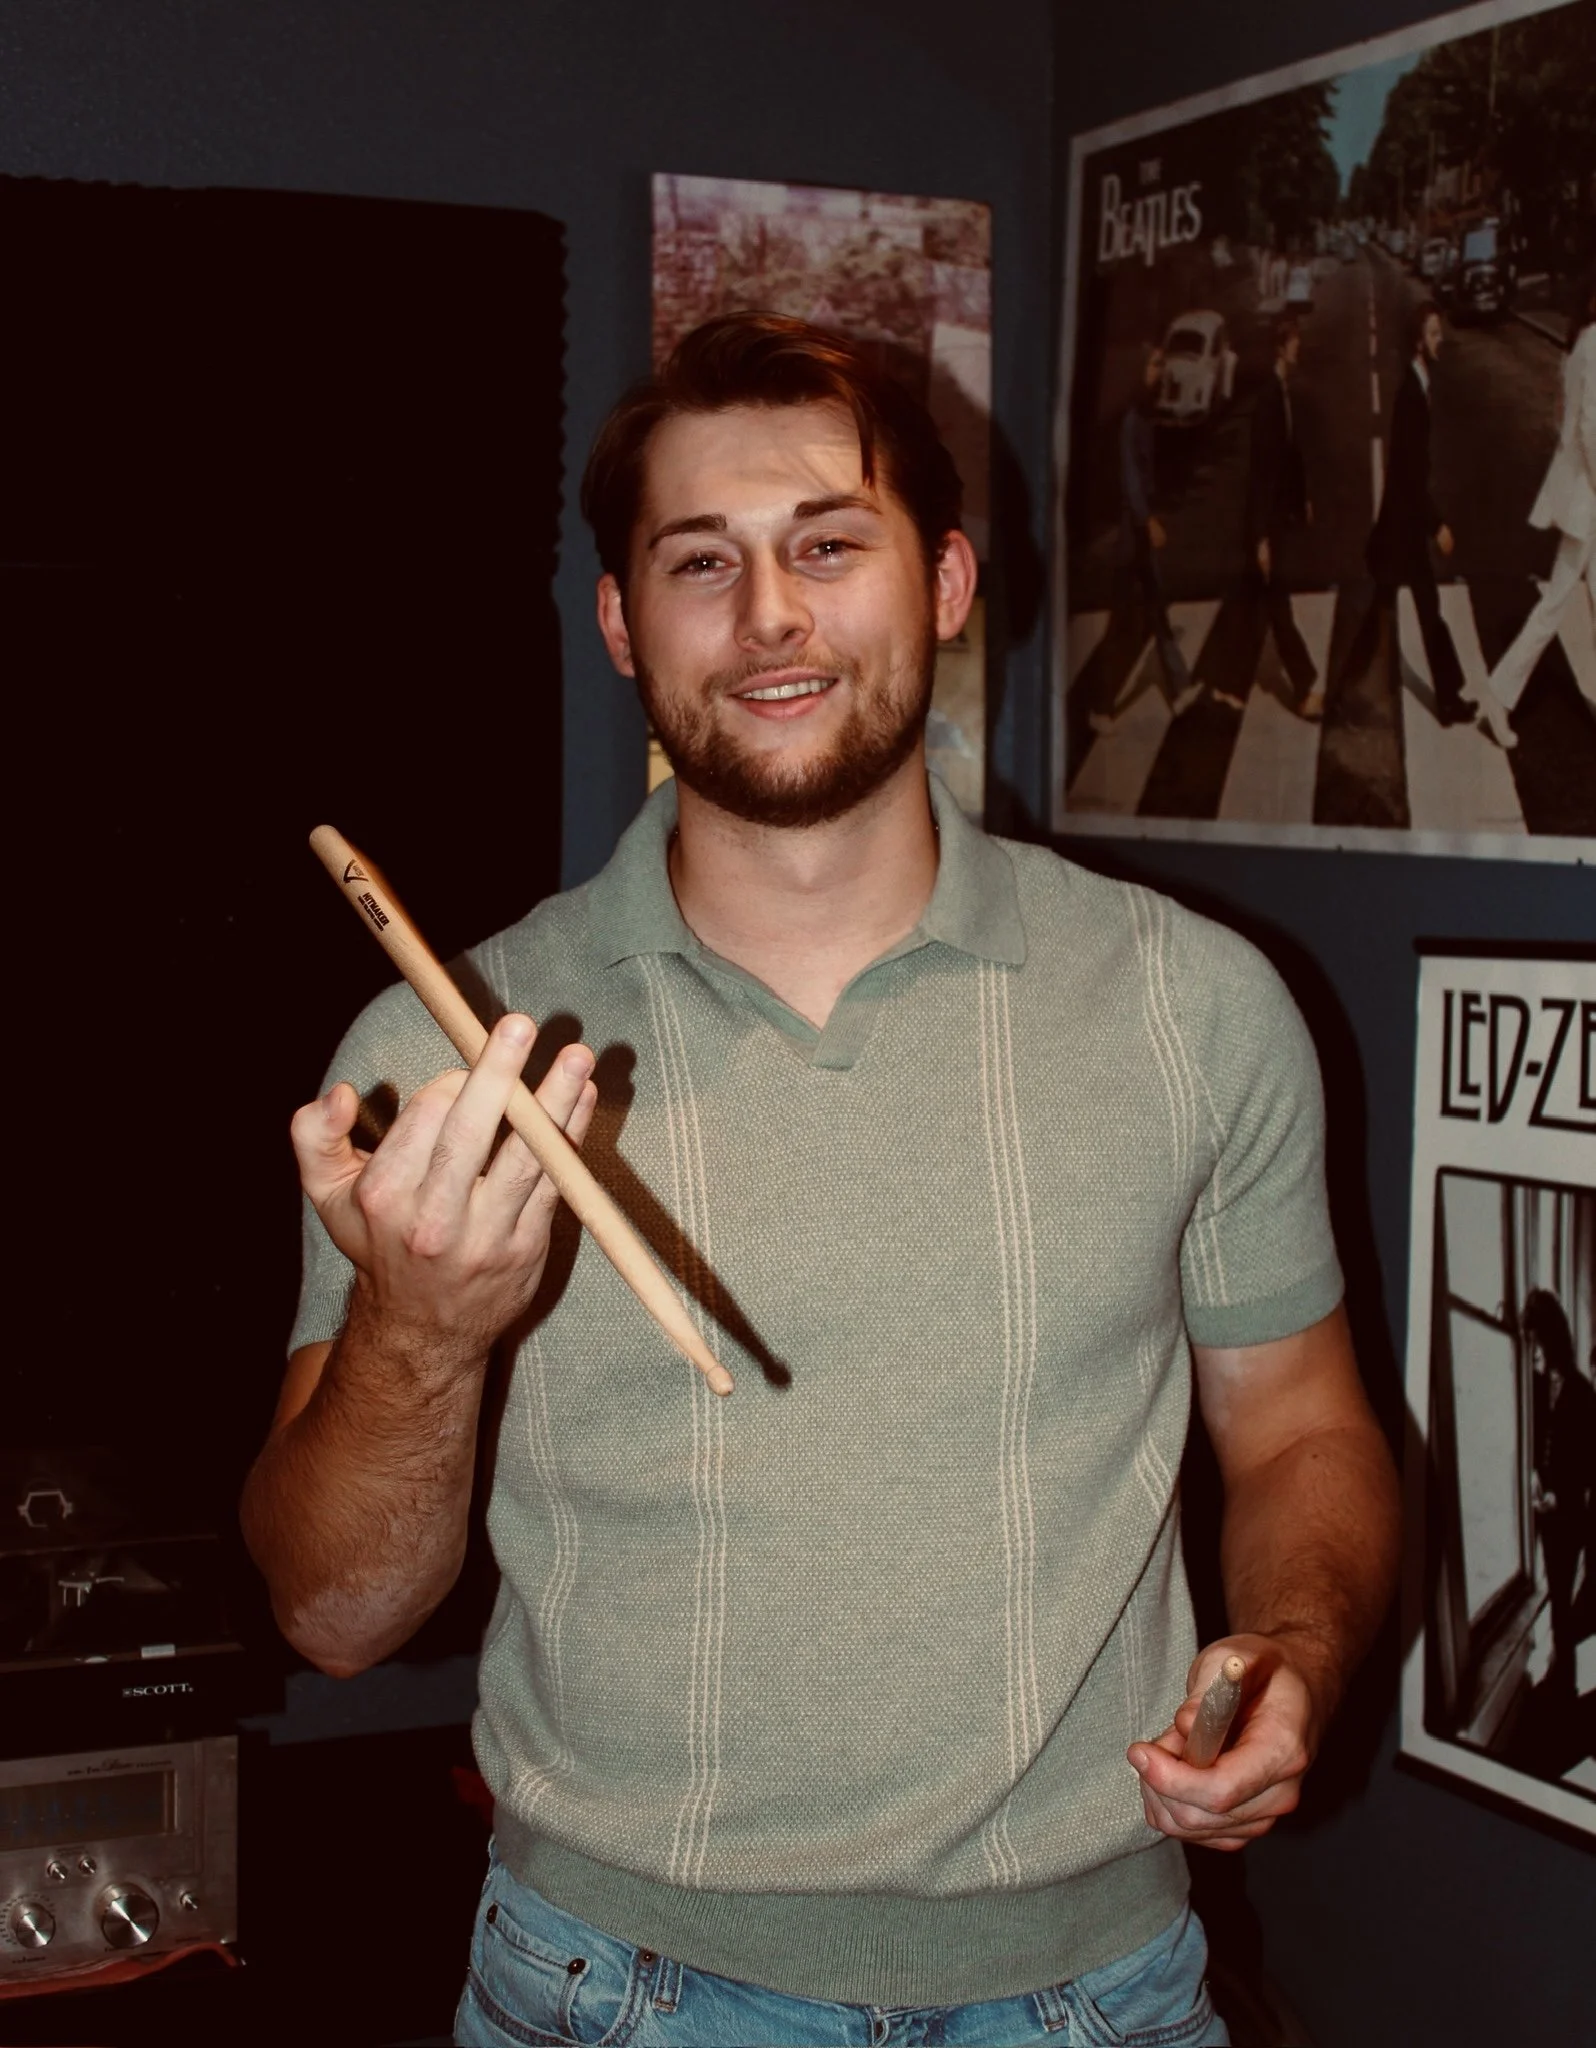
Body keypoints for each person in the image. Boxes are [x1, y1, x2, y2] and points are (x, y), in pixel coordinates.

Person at [242, 313, 1400, 2048]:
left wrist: (1295, 1644)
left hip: (1103, 1985)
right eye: (700, 562)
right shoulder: (439, 1048)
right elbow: (332, 1617)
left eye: (828, 547)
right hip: (611, 1988)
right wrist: (422, 1337)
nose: (771, 615)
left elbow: (1301, 1428)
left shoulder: (1197, 1003)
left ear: (940, 583)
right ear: (625, 624)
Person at [1465, 272, 1596, 749]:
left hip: (1586, 501)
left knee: (1566, 602)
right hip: (1591, 502)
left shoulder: (1579, 343)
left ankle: (1498, 696)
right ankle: (1498, 697)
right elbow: (1588, 431)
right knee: (1556, 604)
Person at [1366, 299, 1471, 725]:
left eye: (1438, 331)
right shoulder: (1411, 393)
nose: (1439, 337)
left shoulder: (1419, 383)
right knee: (1415, 609)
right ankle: (1447, 699)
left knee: (1402, 609)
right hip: (1404, 527)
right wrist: (1437, 523)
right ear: (1417, 342)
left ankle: (1448, 698)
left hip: (1402, 525)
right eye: (1432, 333)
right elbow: (1407, 471)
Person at [1092, 341, 1204, 734]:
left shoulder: (1144, 413)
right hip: (1130, 538)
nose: (1162, 371)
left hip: (1137, 534)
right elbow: (1130, 479)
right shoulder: (1130, 419)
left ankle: (1180, 687)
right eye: (1156, 364)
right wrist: (1148, 520)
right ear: (1140, 370)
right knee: (1123, 622)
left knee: (1157, 612)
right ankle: (1101, 706)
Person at [1219, 313, 1322, 720]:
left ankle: (1231, 687)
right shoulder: (1267, 402)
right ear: (1282, 347)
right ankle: (1305, 684)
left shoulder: (1281, 392)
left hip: (1277, 515)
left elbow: (1290, 456)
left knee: (1254, 604)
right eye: (1295, 340)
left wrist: (1302, 499)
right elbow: (1262, 472)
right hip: (1265, 522)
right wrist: (1260, 537)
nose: (1300, 346)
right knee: (1277, 603)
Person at [1525, 1289, 1596, 1697]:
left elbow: (1590, 1466)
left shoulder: (1583, 1393)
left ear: (1553, 1337)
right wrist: (1534, 1473)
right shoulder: (1531, 1386)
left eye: (1537, 1339)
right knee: (1554, 1589)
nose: (1533, 1349)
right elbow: (1530, 1443)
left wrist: (1561, 1499)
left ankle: (1566, 1681)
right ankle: (1563, 1671)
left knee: (1565, 1595)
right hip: (1542, 1509)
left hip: (1569, 1515)